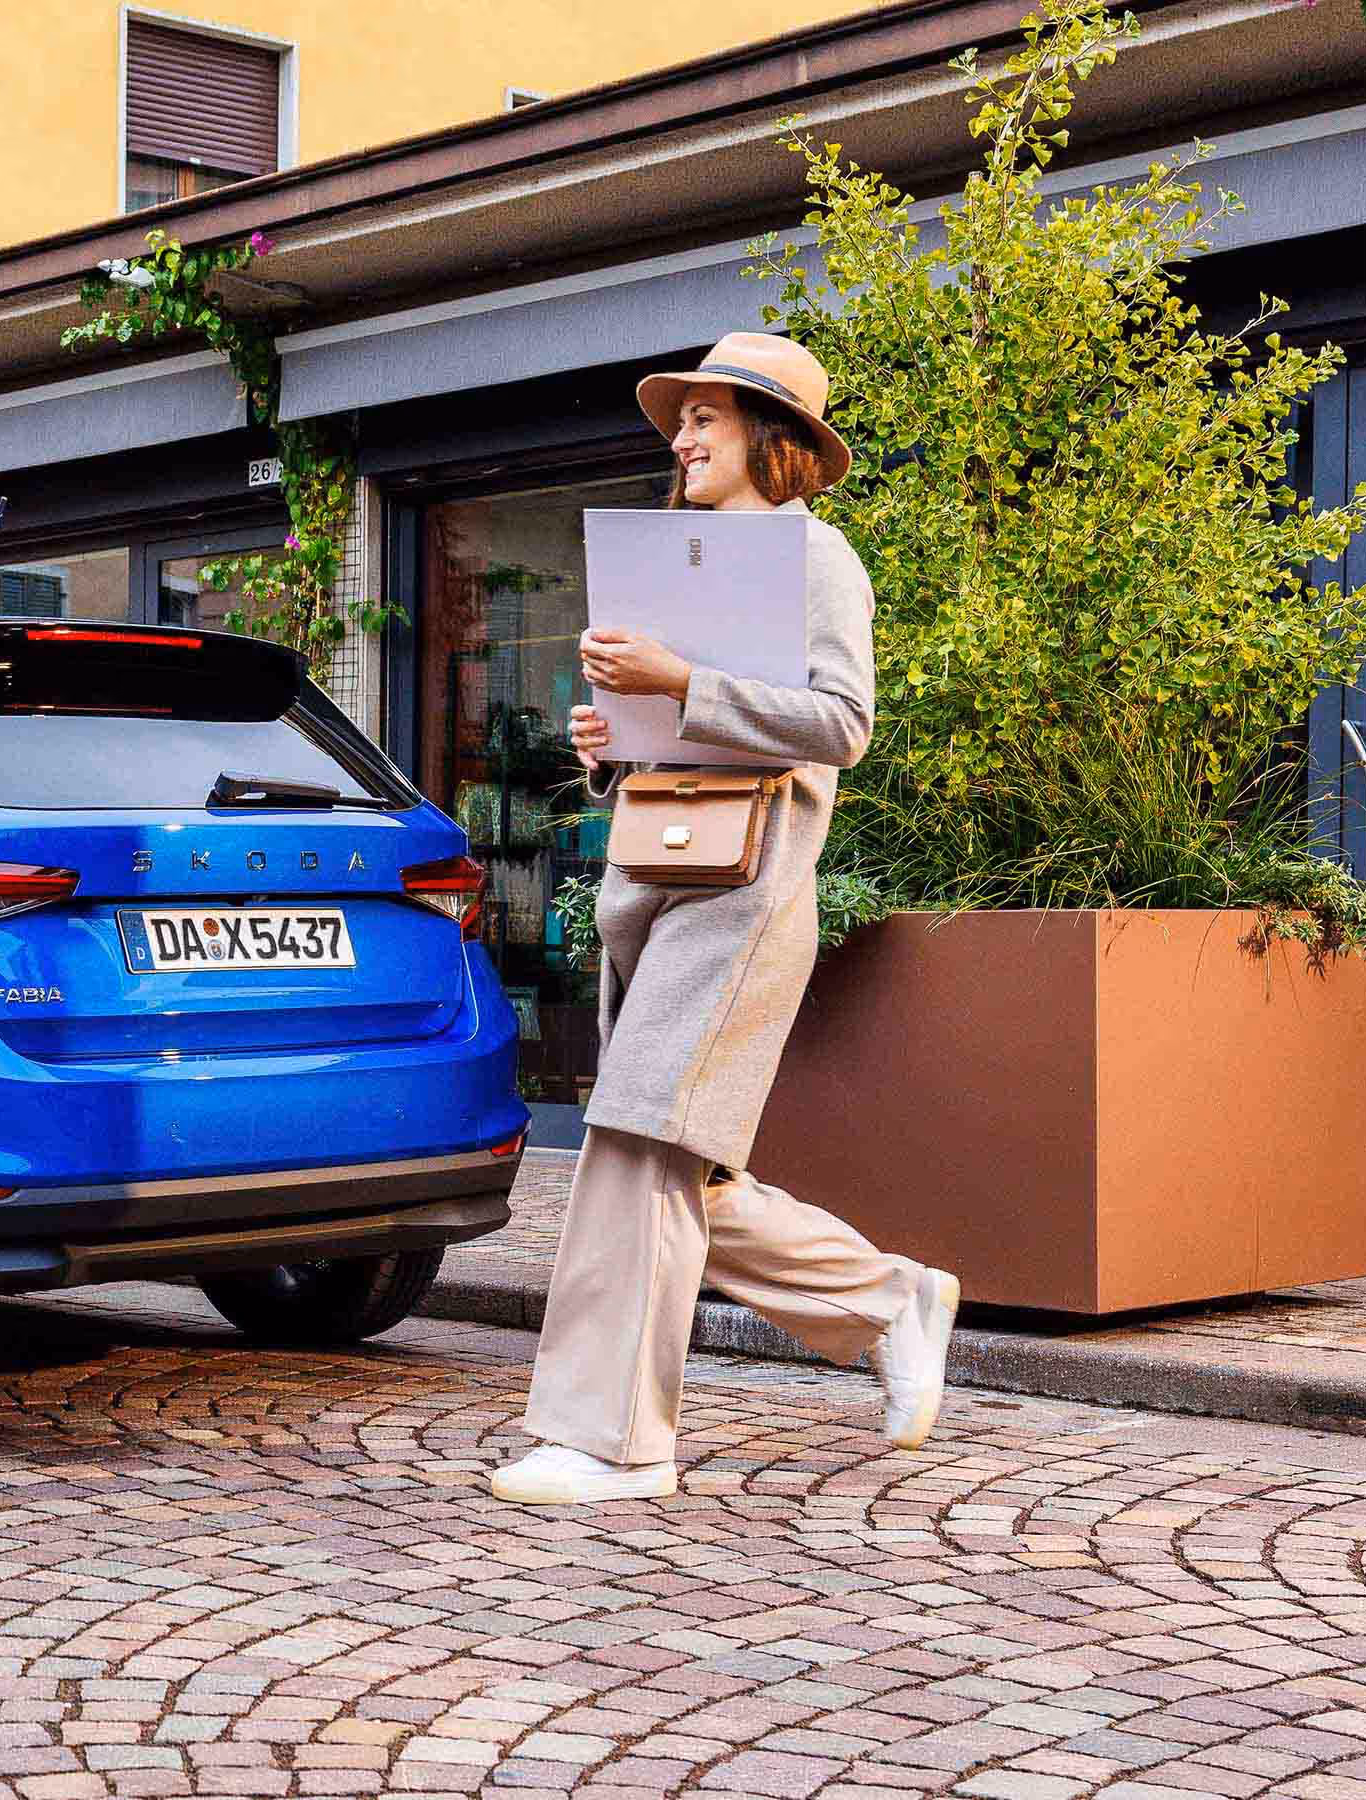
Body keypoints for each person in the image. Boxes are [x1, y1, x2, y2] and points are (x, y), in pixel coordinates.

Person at [490, 332, 960, 1507]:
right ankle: (886, 1296)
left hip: (744, 895)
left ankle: (610, 1441)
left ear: (772, 436)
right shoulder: (674, 563)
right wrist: (608, 745)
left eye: (707, 417)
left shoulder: (817, 559)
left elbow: (840, 725)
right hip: (648, 886)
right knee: (682, 1171)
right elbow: (668, 731)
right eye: (680, 420)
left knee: (635, 1141)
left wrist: (680, 682)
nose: (683, 437)